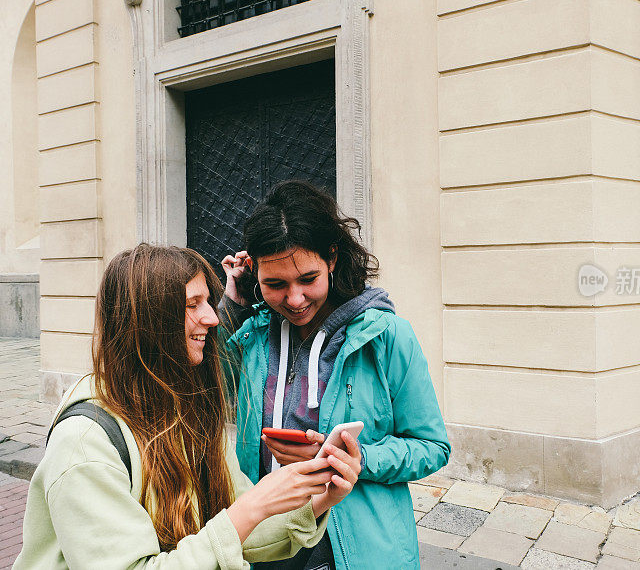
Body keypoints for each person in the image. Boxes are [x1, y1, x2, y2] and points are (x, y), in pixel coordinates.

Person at [14, 244, 360, 569]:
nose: (212, 318)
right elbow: (232, 525)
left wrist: (317, 502)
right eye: (193, 305)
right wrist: (252, 507)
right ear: (148, 321)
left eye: (209, 302)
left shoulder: (192, 411)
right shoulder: (85, 442)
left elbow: (234, 535)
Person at [219, 180, 451, 570]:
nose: (294, 299)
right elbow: (214, 392)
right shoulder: (254, 332)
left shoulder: (386, 336)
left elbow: (431, 446)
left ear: (332, 258)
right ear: (255, 272)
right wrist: (234, 307)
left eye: (308, 279)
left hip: (352, 548)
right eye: (275, 284)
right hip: (263, 540)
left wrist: (356, 460)